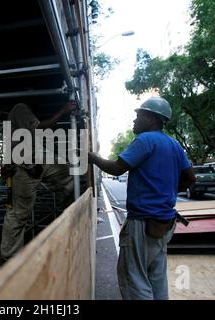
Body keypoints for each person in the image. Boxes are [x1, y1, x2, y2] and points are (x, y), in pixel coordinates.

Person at [88, 96, 196, 300]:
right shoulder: (174, 145)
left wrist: (92, 158)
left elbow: (117, 169)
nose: (134, 120)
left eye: (139, 116)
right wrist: (169, 192)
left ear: (152, 119)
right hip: (165, 222)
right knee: (156, 278)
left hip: (142, 223)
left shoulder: (145, 140)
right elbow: (191, 178)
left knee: (135, 280)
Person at [0, 100, 77, 261]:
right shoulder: (20, 108)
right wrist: (62, 111)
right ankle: (10, 259)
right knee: (18, 214)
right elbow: (38, 128)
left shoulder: (26, 112)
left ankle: (71, 217)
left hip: (38, 159)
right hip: (23, 165)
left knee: (68, 172)